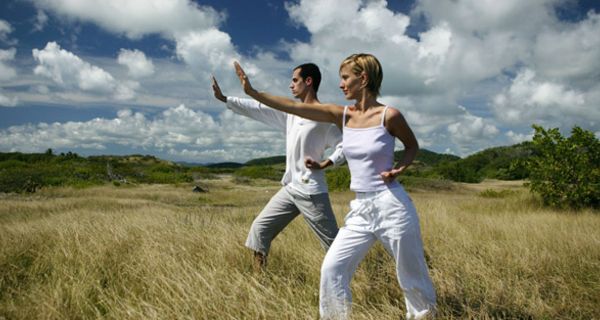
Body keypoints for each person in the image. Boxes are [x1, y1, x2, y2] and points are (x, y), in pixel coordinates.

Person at [233, 54, 436, 319]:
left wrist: (401, 167)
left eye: (345, 77)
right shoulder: (342, 116)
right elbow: (291, 107)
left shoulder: (390, 115)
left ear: (362, 79)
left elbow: (412, 145)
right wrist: (252, 92)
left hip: (392, 205)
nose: (341, 84)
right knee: (332, 270)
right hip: (360, 208)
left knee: (412, 278)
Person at [211, 63, 345, 271]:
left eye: (294, 80)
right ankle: (259, 283)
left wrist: (327, 162)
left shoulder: (323, 117)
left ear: (308, 81)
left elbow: (344, 146)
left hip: (311, 191)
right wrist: (226, 99)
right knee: (260, 230)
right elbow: (260, 109)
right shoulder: (291, 113)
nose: (290, 85)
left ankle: (356, 285)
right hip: (290, 189)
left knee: (333, 245)